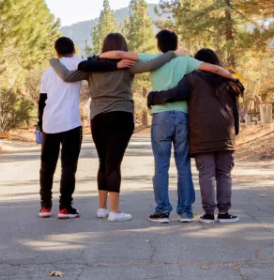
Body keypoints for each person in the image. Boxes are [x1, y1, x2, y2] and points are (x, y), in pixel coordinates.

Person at [100, 30, 237, 223]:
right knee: (183, 165)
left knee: (161, 166)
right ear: (175, 44)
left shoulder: (154, 59)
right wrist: (233, 78)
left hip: (160, 117)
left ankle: (162, 211)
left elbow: (119, 55)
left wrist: (98, 56)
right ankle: (186, 211)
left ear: (159, 46)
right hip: (182, 117)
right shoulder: (187, 61)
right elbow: (214, 69)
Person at [49, 33, 178, 222]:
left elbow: (67, 76)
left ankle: (102, 208)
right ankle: (115, 211)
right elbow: (152, 64)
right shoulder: (127, 64)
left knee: (103, 161)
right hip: (121, 115)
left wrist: (55, 61)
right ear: (122, 47)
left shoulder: (93, 66)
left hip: (98, 118)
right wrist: (171, 54)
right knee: (114, 163)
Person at [147, 48, 244, 224]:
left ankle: (208, 214)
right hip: (225, 133)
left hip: (201, 134)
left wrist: (153, 97)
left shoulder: (192, 79)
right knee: (224, 173)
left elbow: (173, 94)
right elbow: (235, 109)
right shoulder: (228, 80)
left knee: (206, 173)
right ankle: (223, 213)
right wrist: (234, 131)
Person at [37, 37, 83, 219]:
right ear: (74, 49)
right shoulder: (79, 63)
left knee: (47, 166)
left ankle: (45, 206)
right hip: (71, 122)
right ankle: (65, 207)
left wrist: (40, 125)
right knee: (69, 165)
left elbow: (41, 101)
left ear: (56, 52)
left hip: (49, 122)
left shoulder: (48, 72)